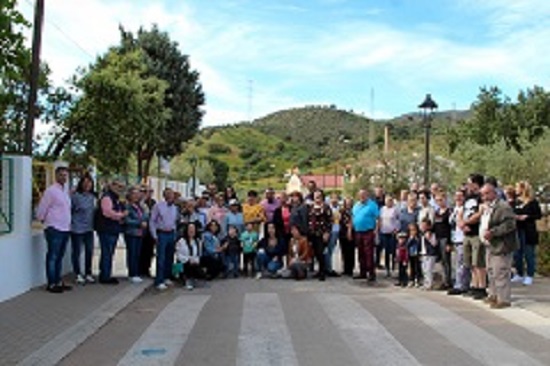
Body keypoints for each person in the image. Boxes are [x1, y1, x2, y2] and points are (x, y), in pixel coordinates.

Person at [480, 183, 519, 309]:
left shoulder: (503, 206)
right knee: (491, 271)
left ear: (493, 192)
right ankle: (493, 295)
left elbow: (510, 224)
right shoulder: (488, 207)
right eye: (482, 194)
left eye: (487, 193)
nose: (484, 196)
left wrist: (493, 232)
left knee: (500, 272)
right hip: (490, 245)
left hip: (502, 245)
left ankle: (504, 299)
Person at [37, 166, 72, 293]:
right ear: (56, 176)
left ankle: (58, 280)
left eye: (65, 175)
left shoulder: (65, 192)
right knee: (53, 256)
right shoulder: (51, 191)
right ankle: (51, 283)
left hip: (65, 228)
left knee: (59, 256)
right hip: (54, 228)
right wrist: (42, 219)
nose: (64, 177)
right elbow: (42, 207)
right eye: (61, 175)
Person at [460, 174, 486, 300]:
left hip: (476, 232)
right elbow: (461, 211)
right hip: (466, 233)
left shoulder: (481, 196)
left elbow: (480, 213)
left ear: (476, 183)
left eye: (469, 182)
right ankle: (474, 285)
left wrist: (467, 222)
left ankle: (481, 286)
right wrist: (461, 223)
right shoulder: (468, 197)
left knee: (478, 262)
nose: (467, 184)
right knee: (469, 262)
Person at [96, 180, 127, 285]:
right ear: (111, 186)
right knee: (107, 252)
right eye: (117, 186)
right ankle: (105, 276)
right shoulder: (107, 197)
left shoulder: (116, 198)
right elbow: (107, 212)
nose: (119, 189)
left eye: (121, 187)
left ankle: (107, 273)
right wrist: (121, 215)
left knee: (110, 253)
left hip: (113, 228)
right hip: (106, 228)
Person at [149, 188, 180, 290]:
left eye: (172, 194)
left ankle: (167, 276)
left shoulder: (175, 208)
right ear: (165, 195)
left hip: (171, 232)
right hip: (161, 233)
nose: (171, 196)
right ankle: (159, 280)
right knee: (161, 257)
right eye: (169, 194)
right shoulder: (158, 206)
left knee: (169, 257)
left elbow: (174, 222)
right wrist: (154, 235)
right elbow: (152, 221)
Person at [513, 181, 542, 286]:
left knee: (529, 253)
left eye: (517, 188)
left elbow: (538, 215)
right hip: (517, 229)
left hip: (528, 231)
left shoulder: (533, 202)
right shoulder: (516, 202)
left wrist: (528, 216)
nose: (516, 190)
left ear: (523, 189)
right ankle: (519, 273)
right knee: (517, 253)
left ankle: (530, 275)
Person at [70, 173, 96, 285]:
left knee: (89, 251)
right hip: (77, 228)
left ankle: (88, 273)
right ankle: (77, 273)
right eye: (85, 183)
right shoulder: (75, 196)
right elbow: (70, 210)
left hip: (89, 228)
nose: (87, 185)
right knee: (77, 252)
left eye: (89, 183)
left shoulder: (93, 197)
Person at [352, 189, 380, 282]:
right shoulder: (356, 205)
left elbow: (378, 218)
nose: (362, 197)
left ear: (367, 195)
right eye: (360, 195)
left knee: (369, 253)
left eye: (364, 195)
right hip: (358, 232)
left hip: (368, 231)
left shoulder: (372, 205)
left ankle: (371, 273)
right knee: (360, 252)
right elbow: (353, 217)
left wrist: (376, 230)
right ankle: (362, 272)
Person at [124, 186, 148, 284]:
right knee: (132, 253)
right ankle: (132, 273)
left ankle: (137, 272)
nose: (136, 196)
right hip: (131, 232)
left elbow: (146, 216)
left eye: (138, 194)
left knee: (138, 253)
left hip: (140, 233)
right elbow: (127, 220)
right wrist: (139, 223)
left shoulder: (140, 206)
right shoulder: (127, 206)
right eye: (134, 194)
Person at [448, 190, 470, 295]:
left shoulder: (465, 209)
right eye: (456, 196)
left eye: (460, 196)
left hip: (462, 238)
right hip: (455, 238)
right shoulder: (454, 209)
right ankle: (458, 283)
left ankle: (461, 285)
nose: (458, 198)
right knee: (457, 262)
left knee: (462, 263)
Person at [307, 190, 332, 281]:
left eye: (319, 196)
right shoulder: (310, 207)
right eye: (315, 196)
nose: (317, 197)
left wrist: (327, 233)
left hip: (322, 233)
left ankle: (322, 272)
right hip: (312, 233)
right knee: (315, 253)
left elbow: (330, 221)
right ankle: (317, 271)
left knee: (321, 252)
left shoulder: (326, 207)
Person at [175, 222, 204, 290]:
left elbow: (199, 254)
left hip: (194, 262)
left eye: (193, 229)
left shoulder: (198, 241)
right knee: (189, 265)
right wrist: (188, 260)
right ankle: (187, 280)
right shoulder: (181, 241)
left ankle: (195, 278)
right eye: (190, 229)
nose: (192, 231)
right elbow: (178, 255)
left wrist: (195, 260)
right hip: (183, 263)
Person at [434, 192, 453, 289]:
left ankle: (448, 281)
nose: (439, 202)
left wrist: (449, 243)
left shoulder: (449, 212)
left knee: (446, 261)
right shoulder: (436, 212)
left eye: (441, 200)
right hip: (438, 238)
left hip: (445, 238)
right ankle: (442, 280)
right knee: (440, 260)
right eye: (437, 200)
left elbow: (450, 228)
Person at [379, 195, 400, 277]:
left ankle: (393, 267)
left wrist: (396, 229)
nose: (388, 202)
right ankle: (387, 269)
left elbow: (398, 220)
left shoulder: (395, 209)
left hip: (392, 233)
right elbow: (380, 219)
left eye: (390, 200)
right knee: (386, 252)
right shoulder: (382, 209)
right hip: (384, 232)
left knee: (393, 251)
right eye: (387, 200)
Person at [138, 186, 156, 278]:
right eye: (145, 191)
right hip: (140, 230)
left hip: (150, 230)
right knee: (139, 251)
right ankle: (139, 269)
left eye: (150, 191)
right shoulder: (138, 202)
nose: (147, 193)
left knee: (149, 251)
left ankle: (146, 269)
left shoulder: (153, 203)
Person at [325, 193, 341, 277]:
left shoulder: (339, 208)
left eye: (336, 199)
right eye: (333, 199)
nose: (335, 200)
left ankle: (328, 267)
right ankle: (328, 269)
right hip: (330, 231)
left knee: (332, 250)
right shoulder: (328, 208)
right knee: (329, 250)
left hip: (337, 231)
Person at [420, 218, 438, 290]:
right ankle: (426, 283)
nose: (423, 227)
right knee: (424, 269)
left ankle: (429, 284)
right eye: (422, 225)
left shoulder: (431, 234)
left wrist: (429, 238)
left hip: (430, 254)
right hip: (424, 253)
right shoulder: (422, 234)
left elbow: (434, 244)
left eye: (425, 226)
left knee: (429, 269)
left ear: (429, 226)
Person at [339, 198, 355, 276]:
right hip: (342, 233)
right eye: (347, 203)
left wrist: (349, 230)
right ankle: (345, 268)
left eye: (350, 203)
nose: (348, 204)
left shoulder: (354, 211)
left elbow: (352, 222)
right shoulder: (342, 211)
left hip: (351, 233)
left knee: (350, 252)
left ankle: (350, 269)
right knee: (344, 252)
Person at [407, 223, 422, 287]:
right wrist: (411, 238)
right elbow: (407, 245)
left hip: (417, 254)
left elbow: (420, 245)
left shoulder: (418, 237)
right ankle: (411, 279)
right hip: (411, 254)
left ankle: (417, 280)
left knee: (417, 267)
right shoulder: (409, 238)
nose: (413, 232)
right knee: (411, 267)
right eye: (411, 230)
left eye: (414, 230)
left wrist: (415, 238)